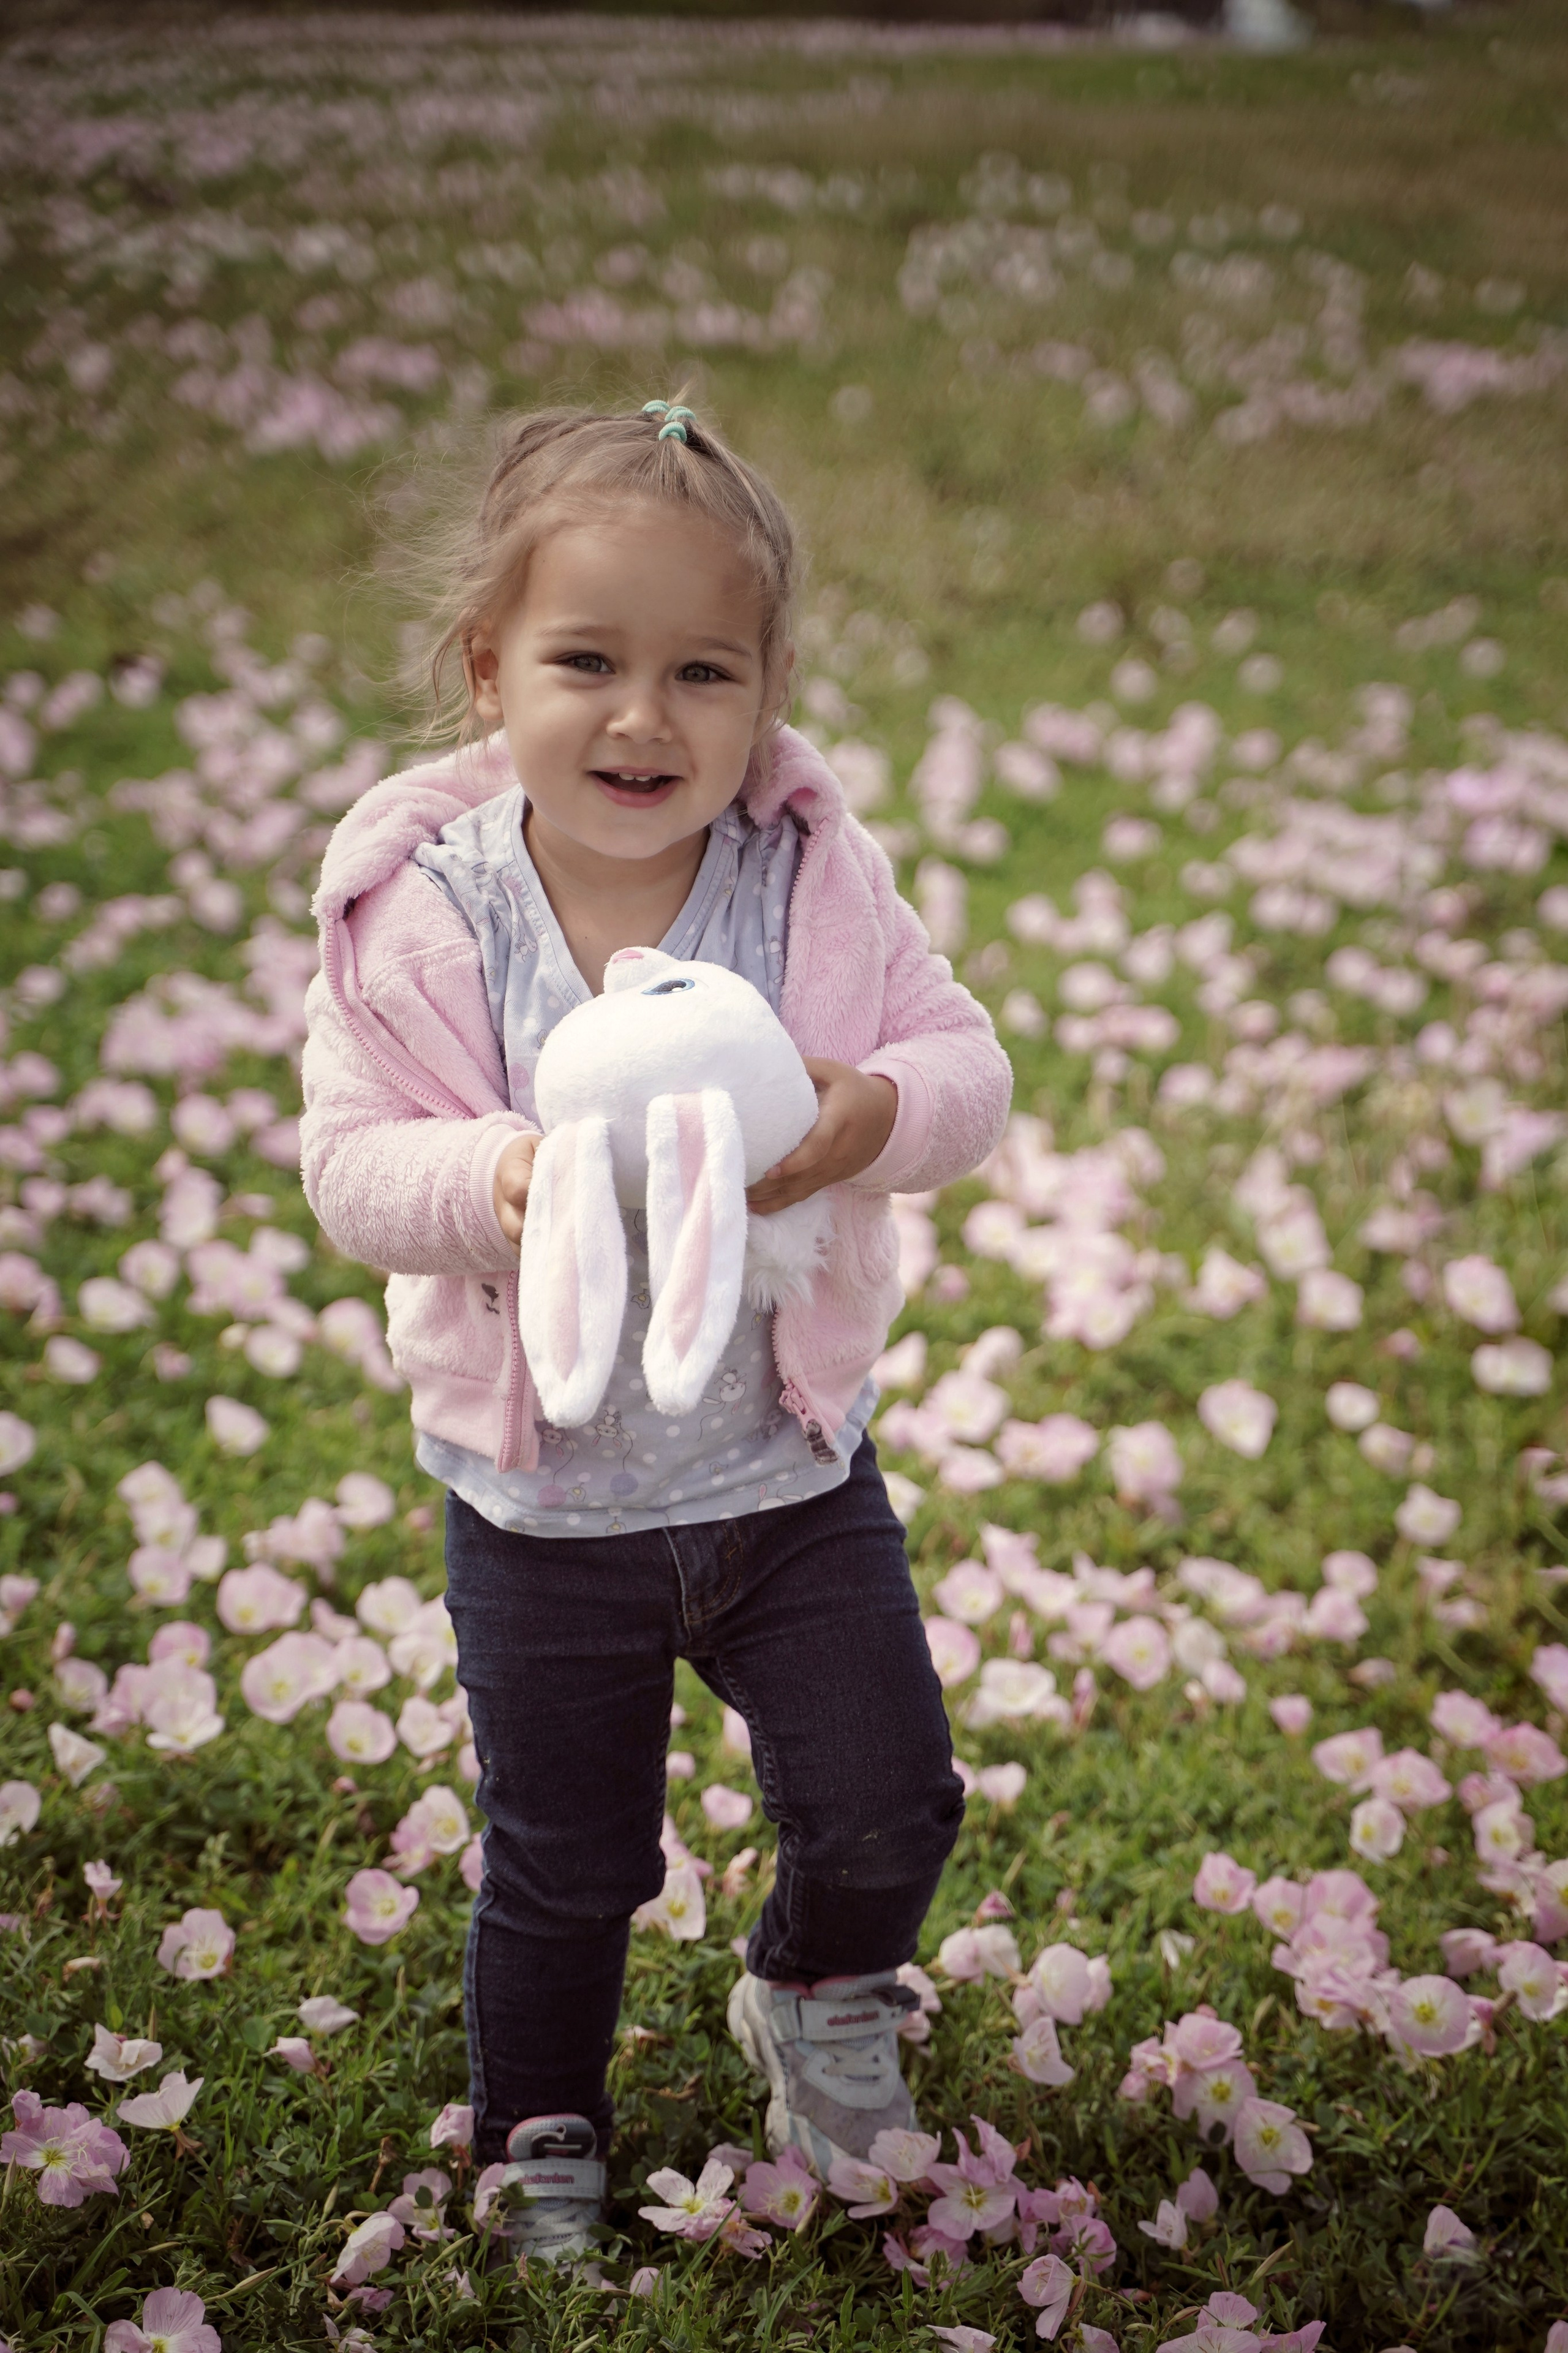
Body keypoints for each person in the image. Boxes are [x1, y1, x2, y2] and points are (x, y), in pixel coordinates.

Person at [300, 396, 1013, 2265]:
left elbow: (967, 1066)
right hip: (546, 1516)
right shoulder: (428, 921)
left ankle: (820, 1985)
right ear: (489, 673)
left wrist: (863, 1111)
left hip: (786, 1476)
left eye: (704, 671)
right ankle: (542, 2119)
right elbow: (351, 1166)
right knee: (570, 1860)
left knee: (886, 1788)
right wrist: (500, 1178)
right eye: (588, 662)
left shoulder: (808, 883)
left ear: (769, 693)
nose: (645, 718)